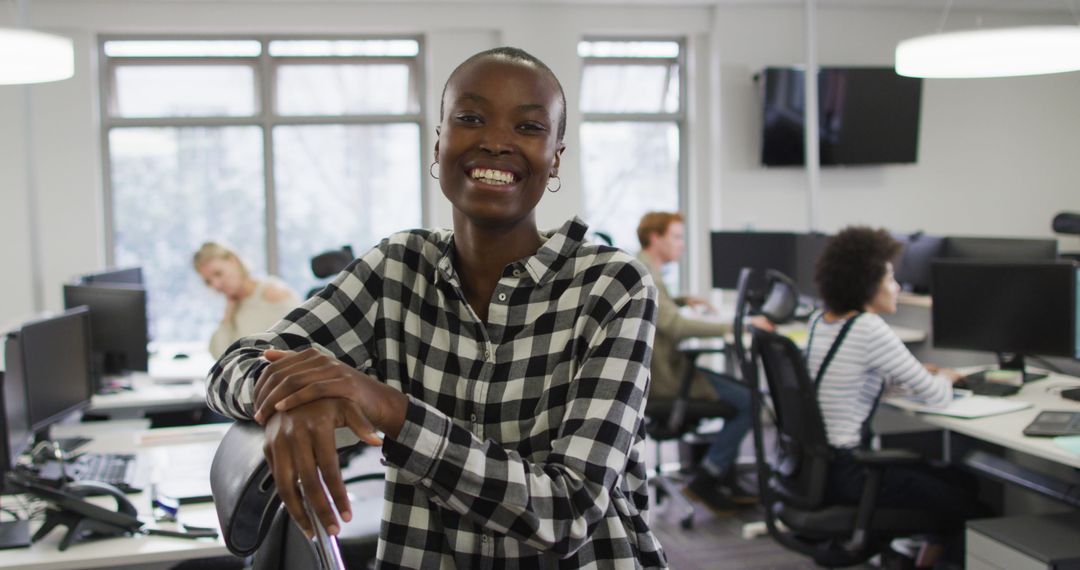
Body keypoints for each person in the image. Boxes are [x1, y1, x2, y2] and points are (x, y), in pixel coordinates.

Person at [207, 47, 668, 569]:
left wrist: (388, 408)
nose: (495, 141)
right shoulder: (397, 269)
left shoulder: (612, 286)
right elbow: (233, 366)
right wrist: (302, 394)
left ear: (556, 156)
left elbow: (566, 513)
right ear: (439, 143)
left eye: (529, 127)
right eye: (470, 118)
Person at [807, 226, 990, 566]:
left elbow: (847, 378)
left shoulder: (822, 320)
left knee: (956, 480)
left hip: (818, 468)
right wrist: (947, 376)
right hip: (851, 473)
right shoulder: (868, 328)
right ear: (867, 282)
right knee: (968, 500)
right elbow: (937, 397)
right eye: (890, 278)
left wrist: (909, 380)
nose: (897, 287)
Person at [636, 212, 770, 515]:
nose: (682, 245)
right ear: (656, 238)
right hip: (667, 378)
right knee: (751, 400)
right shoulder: (647, 272)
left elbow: (663, 312)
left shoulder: (643, 267)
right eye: (677, 237)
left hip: (665, 370)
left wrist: (682, 301)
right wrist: (742, 325)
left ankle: (722, 475)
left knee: (743, 392)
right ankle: (708, 477)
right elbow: (678, 328)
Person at [193, 242, 301, 358]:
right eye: (208, 281)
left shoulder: (273, 293)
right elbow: (219, 355)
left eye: (218, 274)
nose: (216, 285)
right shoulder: (233, 306)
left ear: (233, 260)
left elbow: (301, 344)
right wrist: (228, 315)